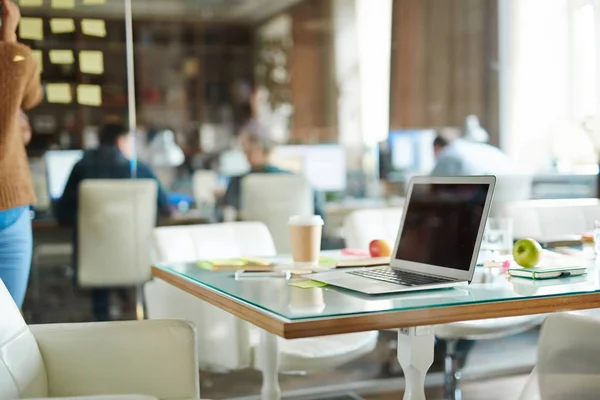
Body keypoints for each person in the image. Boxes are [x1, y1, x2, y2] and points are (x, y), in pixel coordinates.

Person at [56, 123, 170, 321]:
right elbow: (165, 208)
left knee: (99, 254)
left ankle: (101, 319)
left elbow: (62, 214)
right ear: (121, 140)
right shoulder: (139, 170)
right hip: (134, 259)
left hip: (93, 261)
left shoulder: (81, 168)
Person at [0, 0, 43, 307]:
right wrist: (9, 36)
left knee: (8, 331)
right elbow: (31, 94)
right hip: (11, 204)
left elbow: (27, 98)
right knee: (8, 327)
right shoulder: (15, 58)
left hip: (12, 206)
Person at [220, 126, 325, 221]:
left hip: (255, 242)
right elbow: (319, 218)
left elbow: (225, 218)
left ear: (251, 150)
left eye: (243, 146)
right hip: (297, 241)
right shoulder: (300, 181)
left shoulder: (238, 184)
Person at [431, 128, 514, 176]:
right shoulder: (483, 149)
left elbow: (430, 183)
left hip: (483, 201)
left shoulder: (448, 154)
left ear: (437, 147)